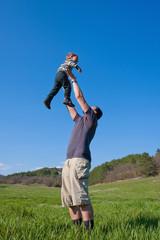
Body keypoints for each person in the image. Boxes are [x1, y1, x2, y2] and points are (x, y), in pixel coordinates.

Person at [61, 71, 103, 230]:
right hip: (69, 161)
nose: (89, 107)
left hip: (80, 160)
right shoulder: (80, 121)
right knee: (70, 200)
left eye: (92, 108)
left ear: (95, 113)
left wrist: (72, 79)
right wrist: (65, 90)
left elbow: (80, 99)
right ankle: (77, 232)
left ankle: (89, 232)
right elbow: (71, 108)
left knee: (81, 198)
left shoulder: (91, 119)